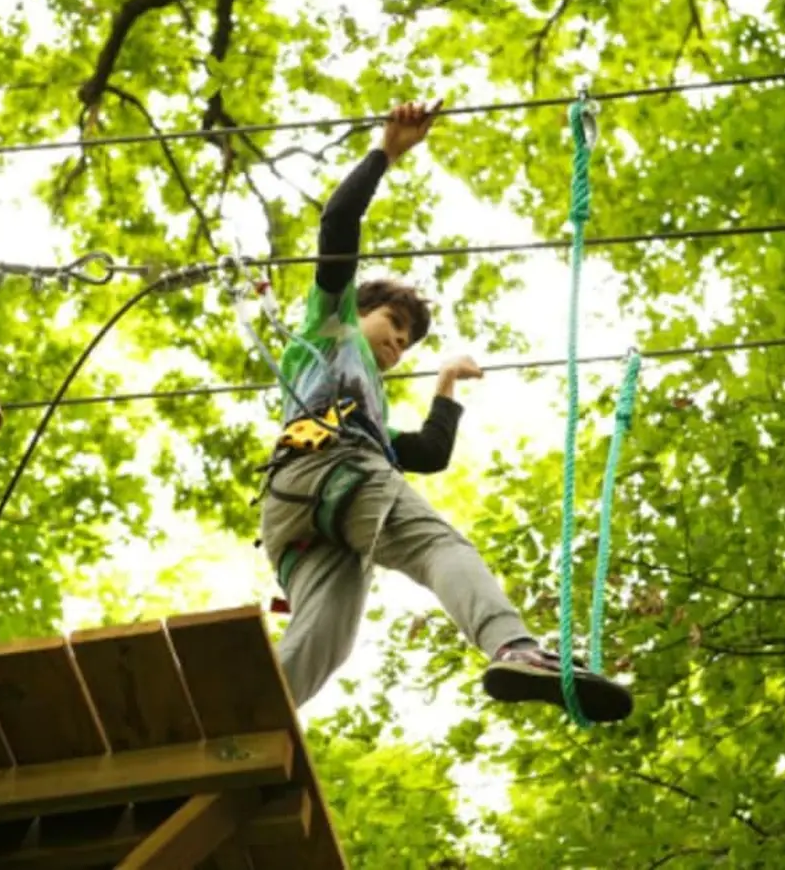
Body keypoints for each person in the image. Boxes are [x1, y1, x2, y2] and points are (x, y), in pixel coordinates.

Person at [258, 100, 634, 724]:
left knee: (327, 636)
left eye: (408, 341)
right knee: (438, 546)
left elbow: (429, 455)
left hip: (301, 508)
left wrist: (446, 383)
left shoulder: (366, 414)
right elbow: (339, 221)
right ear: (361, 308)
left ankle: (251, 718)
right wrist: (386, 151)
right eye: (394, 323)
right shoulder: (330, 326)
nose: (399, 341)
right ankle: (514, 646)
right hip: (331, 472)